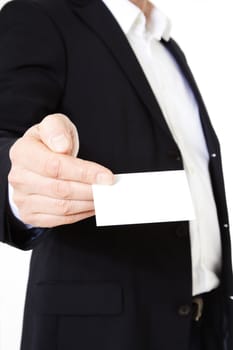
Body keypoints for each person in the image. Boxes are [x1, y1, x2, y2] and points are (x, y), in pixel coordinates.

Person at [0, 0, 232, 349]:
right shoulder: (38, 13)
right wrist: (19, 184)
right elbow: (6, 140)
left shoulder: (166, 44)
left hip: (206, 326)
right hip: (105, 336)